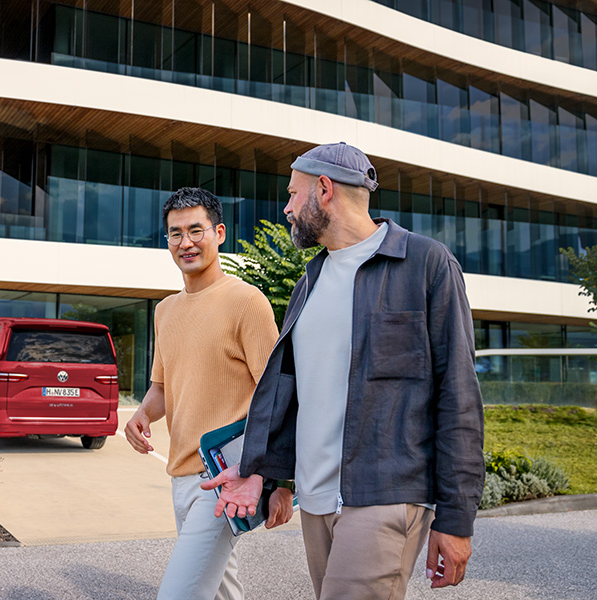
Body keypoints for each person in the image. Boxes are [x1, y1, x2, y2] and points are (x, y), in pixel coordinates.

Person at [201, 143, 485, 599]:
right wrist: (270, 475)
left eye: (294, 194)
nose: (287, 207)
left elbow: (459, 398)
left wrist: (456, 520)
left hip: (385, 494)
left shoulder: (425, 264)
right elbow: (294, 397)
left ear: (325, 190)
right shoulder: (309, 281)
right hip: (315, 503)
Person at [124, 187, 293, 600]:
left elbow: (280, 397)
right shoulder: (165, 311)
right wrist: (142, 414)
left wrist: (282, 481)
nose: (186, 243)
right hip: (180, 478)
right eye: (175, 233)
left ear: (219, 233)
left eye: (196, 230)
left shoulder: (246, 303)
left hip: (225, 477)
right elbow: (163, 386)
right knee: (220, 591)